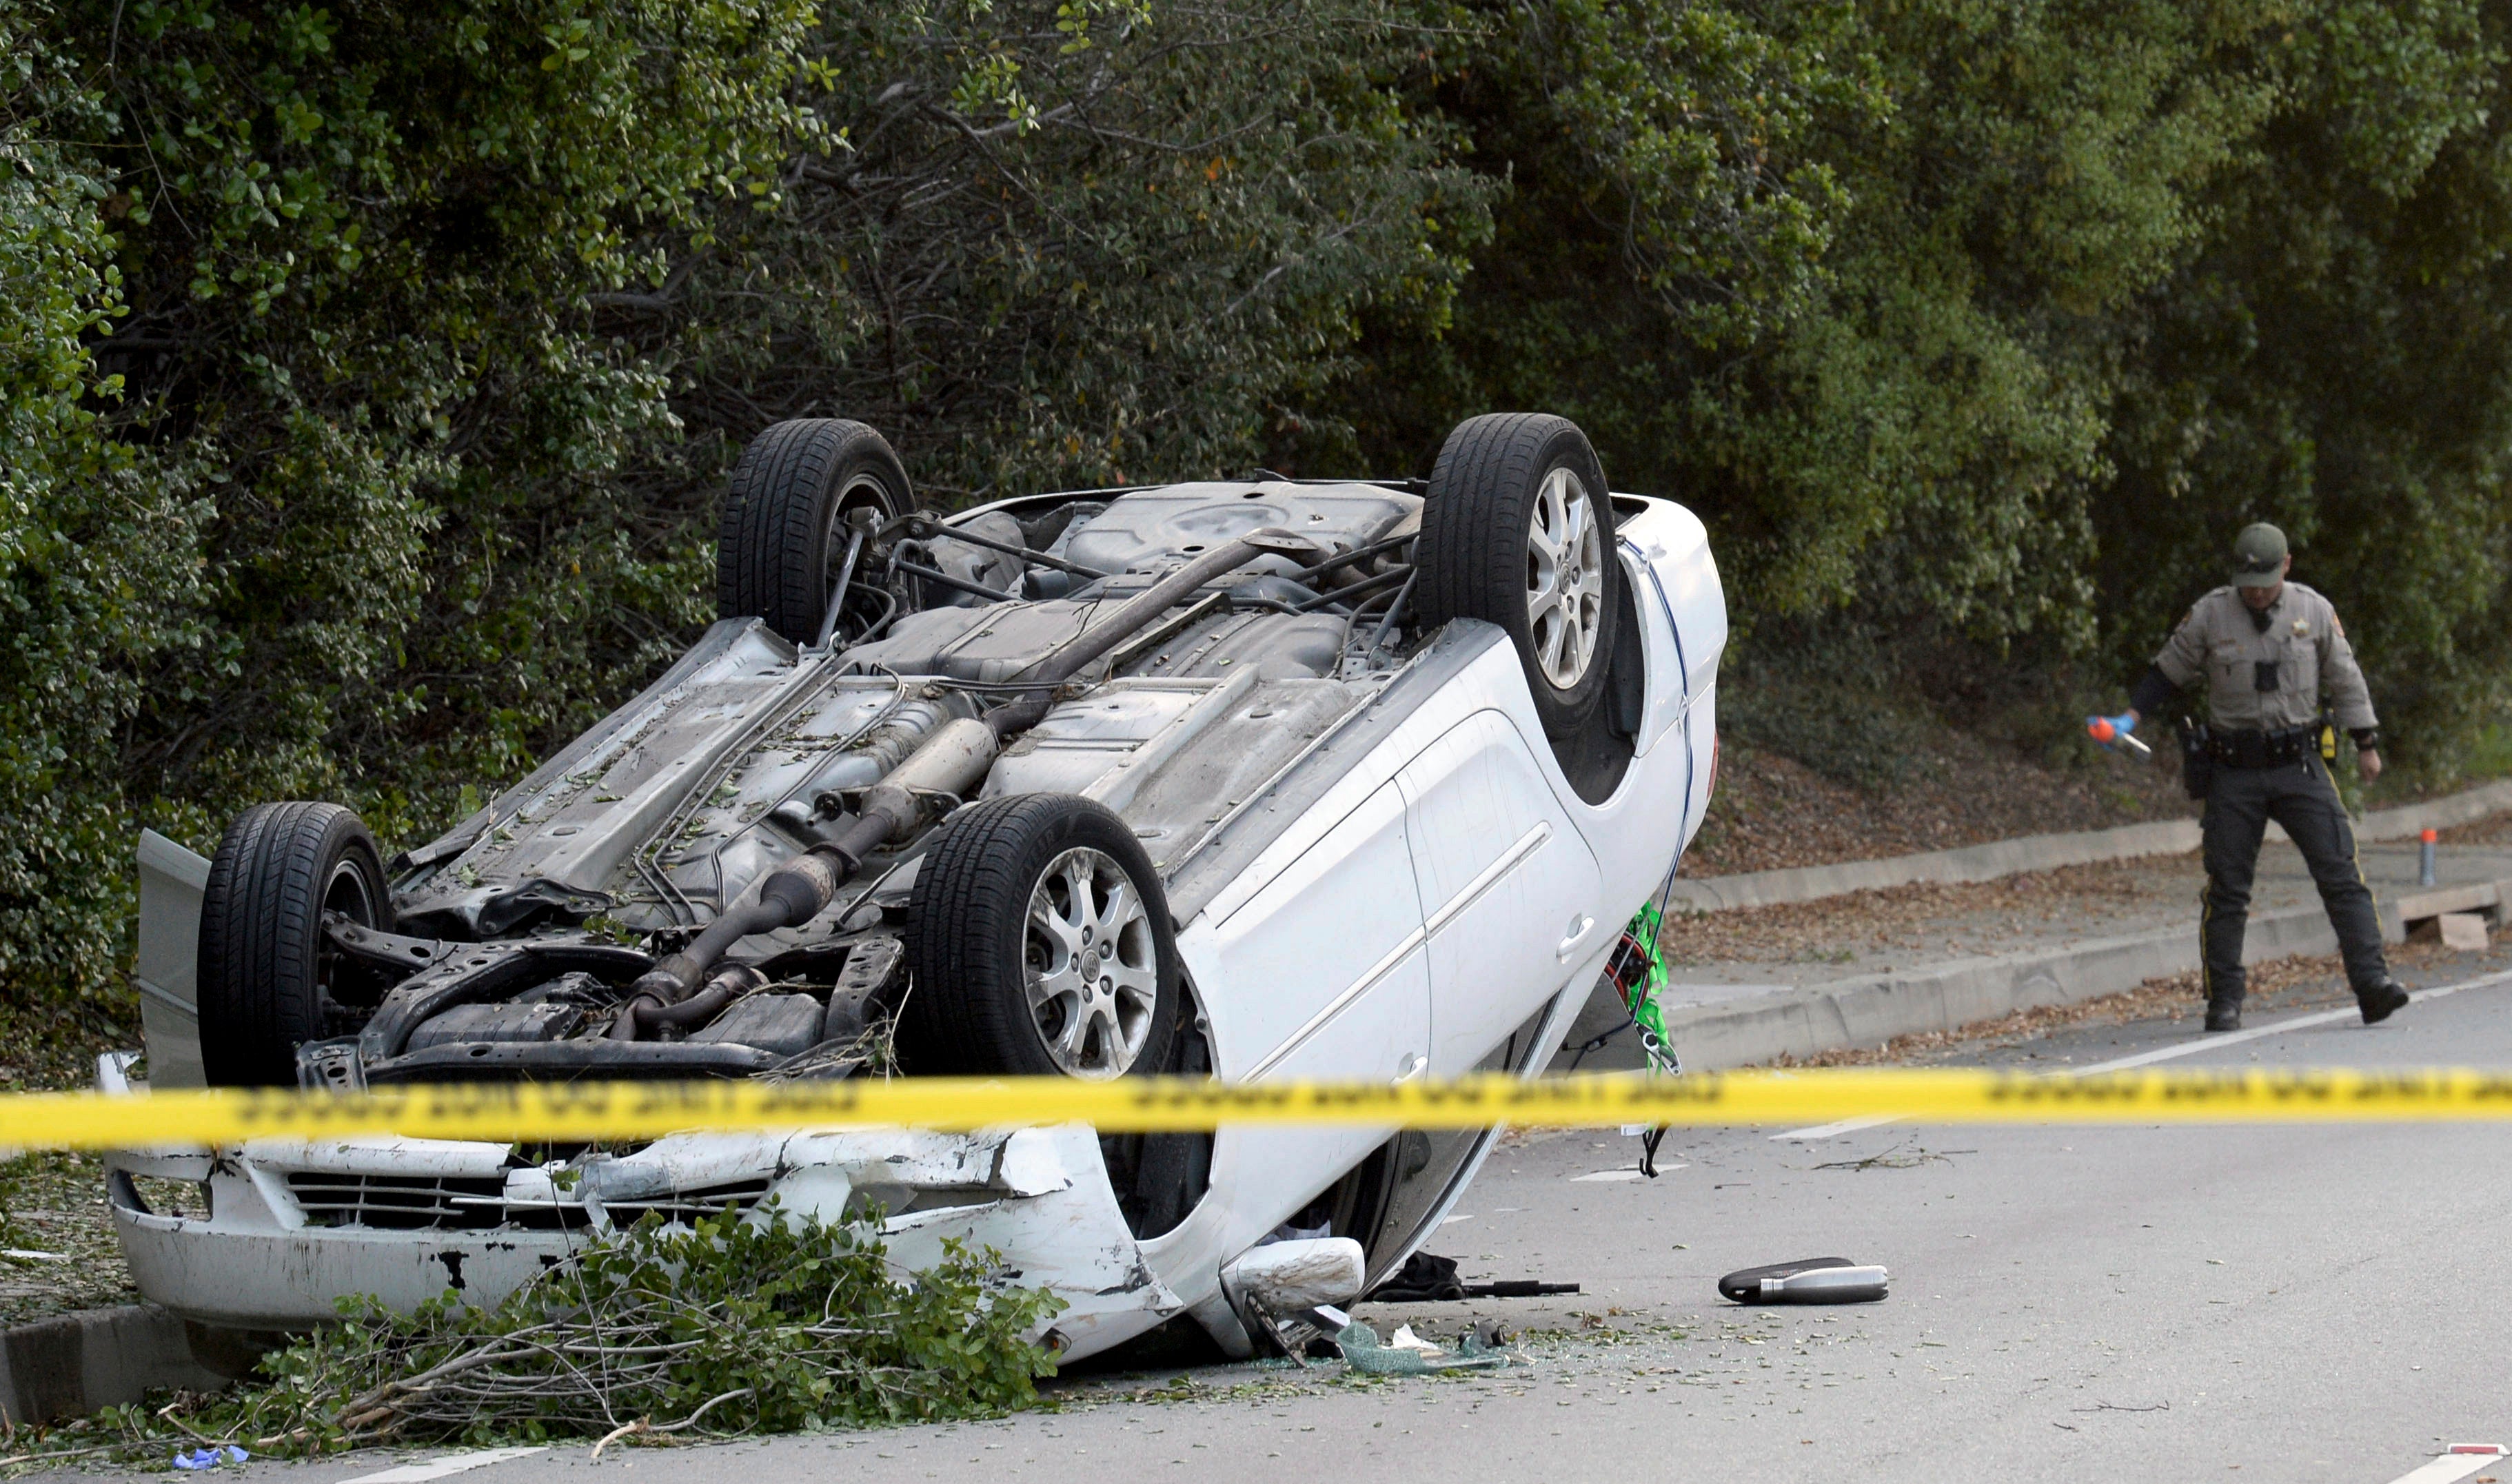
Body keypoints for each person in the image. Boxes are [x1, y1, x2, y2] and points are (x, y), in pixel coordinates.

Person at [2107, 522, 2409, 1032]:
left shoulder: (2312, 610)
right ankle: (2224, 1000)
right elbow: (2167, 671)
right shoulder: (2211, 614)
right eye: (2248, 582)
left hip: (2300, 765)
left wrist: (2367, 743)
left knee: (2341, 873)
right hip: (2234, 770)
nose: (2256, 592)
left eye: (2266, 582)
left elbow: (2346, 677)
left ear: (2286, 566)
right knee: (2227, 887)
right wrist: (2129, 718)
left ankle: (2373, 984)